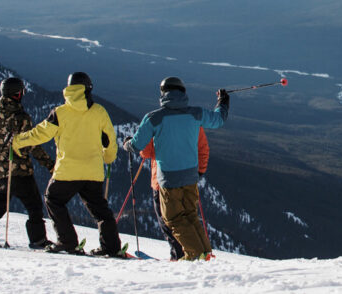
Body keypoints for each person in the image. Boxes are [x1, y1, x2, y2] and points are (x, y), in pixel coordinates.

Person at [13, 72, 123, 257]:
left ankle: (67, 241)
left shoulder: (60, 113)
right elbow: (110, 141)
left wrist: (18, 141)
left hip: (67, 171)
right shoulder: (99, 112)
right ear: (88, 89)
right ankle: (111, 247)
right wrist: (108, 158)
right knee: (100, 210)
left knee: (54, 200)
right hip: (93, 172)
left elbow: (40, 134)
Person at [124, 76, 229, 261]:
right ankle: (205, 254)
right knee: (190, 216)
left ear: (163, 94)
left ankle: (194, 255)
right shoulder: (195, 114)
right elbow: (218, 120)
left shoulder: (154, 118)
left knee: (173, 219)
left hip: (168, 179)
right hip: (190, 176)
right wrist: (222, 101)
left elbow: (138, 146)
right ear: (183, 93)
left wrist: (127, 145)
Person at [0, 77, 55, 249]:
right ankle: (38, 240)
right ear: (17, 94)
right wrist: (49, 164)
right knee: (34, 206)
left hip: (1, 171)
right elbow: (32, 144)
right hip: (21, 171)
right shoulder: (21, 117)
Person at [139, 125, 210, 261]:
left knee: (168, 221)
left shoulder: (157, 120)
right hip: (188, 180)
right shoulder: (193, 120)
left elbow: (146, 151)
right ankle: (201, 252)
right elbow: (203, 149)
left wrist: (134, 143)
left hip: (163, 181)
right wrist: (200, 171)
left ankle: (181, 255)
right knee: (189, 217)